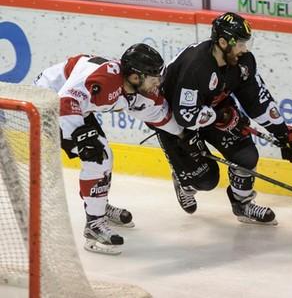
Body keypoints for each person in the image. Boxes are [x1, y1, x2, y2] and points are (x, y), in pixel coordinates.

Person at [157, 12, 292, 225]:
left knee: (245, 156)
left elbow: (257, 100)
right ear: (223, 42)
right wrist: (221, 117)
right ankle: (185, 182)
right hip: (175, 121)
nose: (245, 49)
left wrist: (283, 133)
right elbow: (185, 115)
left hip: (213, 109)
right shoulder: (196, 66)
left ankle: (242, 205)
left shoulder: (242, 62)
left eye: (246, 43)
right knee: (206, 180)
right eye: (241, 44)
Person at [34, 43, 182, 254]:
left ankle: (98, 206)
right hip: (48, 100)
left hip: (76, 107)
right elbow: (66, 101)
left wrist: (184, 135)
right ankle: (94, 224)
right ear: (134, 77)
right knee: (99, 157)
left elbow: (160, 114)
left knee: (101, 155)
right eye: (153, 77)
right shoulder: (107, 79)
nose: (157, 82)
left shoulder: (137, 90)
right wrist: (80, 136)